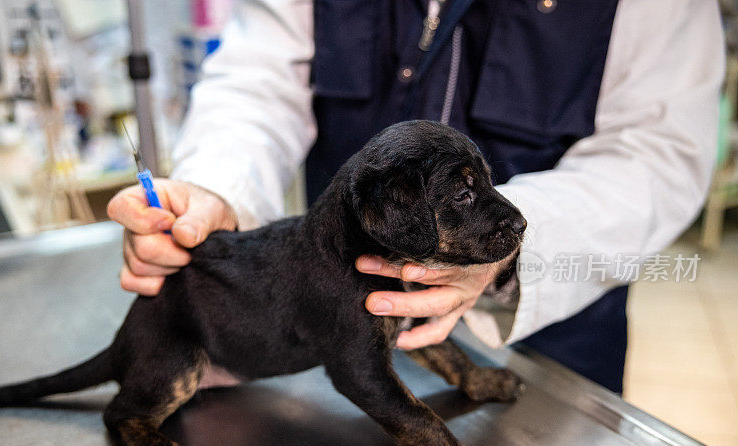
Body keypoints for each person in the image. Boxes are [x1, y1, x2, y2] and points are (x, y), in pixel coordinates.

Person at [107, 0, 724, 393]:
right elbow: (260, 77)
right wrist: (218, 186)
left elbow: (657, 151)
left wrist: (504, 258)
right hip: (340, 327)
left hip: (547, 344)